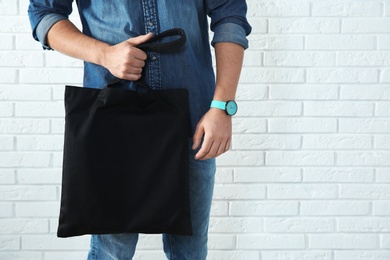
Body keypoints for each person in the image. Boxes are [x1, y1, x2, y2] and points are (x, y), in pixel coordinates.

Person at [28, 1, 251, 259]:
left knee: (190, 249)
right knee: (112, 250)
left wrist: (223, 106)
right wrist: (104, 55)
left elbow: (230, 15)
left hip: (193, 125)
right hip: (112, 126)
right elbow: (43, 13)